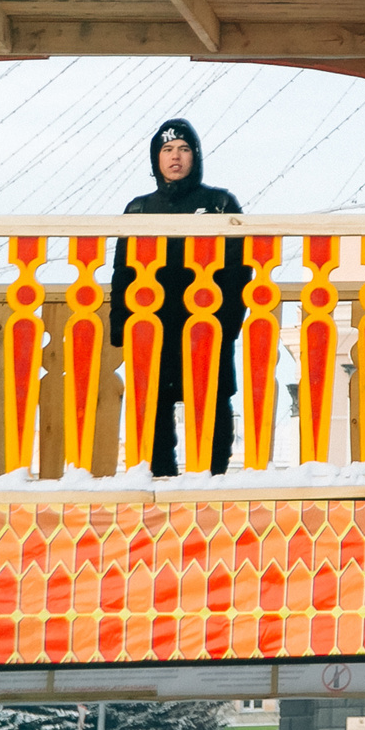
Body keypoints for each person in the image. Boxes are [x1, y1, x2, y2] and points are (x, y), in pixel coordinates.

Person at [107, 118, 248, 476]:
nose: (175, 157)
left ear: (195, 156)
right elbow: (123, 271)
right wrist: (121, 323)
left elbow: (238, 268)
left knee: (214, 399)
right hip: (153, 322)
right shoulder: (138, 209)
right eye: (167, 150)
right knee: (154, 402)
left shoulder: (219, 203)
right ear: (156, 158)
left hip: (206, 321)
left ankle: (214, 478)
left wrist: (229, 323)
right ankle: (159, 479)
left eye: (184, 149)